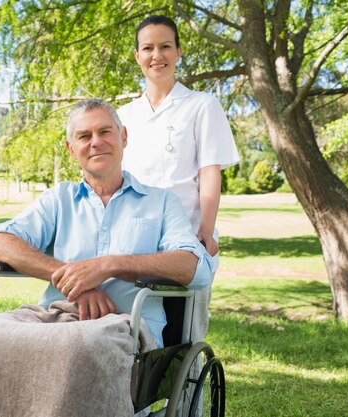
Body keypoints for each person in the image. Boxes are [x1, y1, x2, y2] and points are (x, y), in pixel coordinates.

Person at [0, 99, 213, 417]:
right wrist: (73, 278)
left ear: (124, 137)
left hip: (124, 326)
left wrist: (108, 266)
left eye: (105, 132)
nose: (96, 142)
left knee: (78, 351)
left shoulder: (161, 203)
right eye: (84, 136)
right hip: (51, 319)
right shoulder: (59, 200)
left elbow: (191, 266)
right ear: (72, 149)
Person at [117, 15, 240, 342]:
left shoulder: (201, 105)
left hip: (185, 239)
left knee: (183, 338)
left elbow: (209, 171)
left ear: (178, 51)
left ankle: (188, 395)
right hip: (136, 241)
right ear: (137, 55)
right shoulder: (124, 116)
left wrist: (206, 231)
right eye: (148, 48)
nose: (157, 55)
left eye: (165, 46)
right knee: (133, 335)